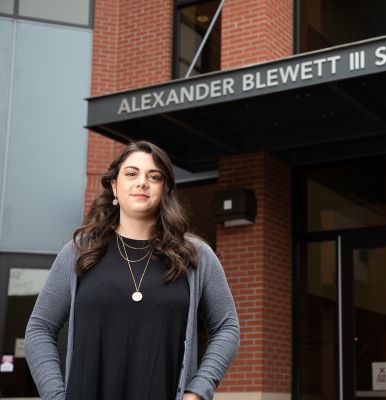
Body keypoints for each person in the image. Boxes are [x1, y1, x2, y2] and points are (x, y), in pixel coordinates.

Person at [24, 141, 240, 400]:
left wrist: (197, 391)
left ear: (165, 189)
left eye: (154, 176)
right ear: (115, 186)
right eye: (131, 174)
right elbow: (39, 329)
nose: (142, 183)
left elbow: (227, 327)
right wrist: (55, 395)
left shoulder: (196, 256)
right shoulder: (79, 252)